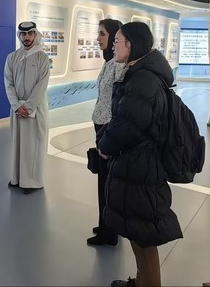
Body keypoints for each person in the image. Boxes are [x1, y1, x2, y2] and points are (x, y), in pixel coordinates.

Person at [98, 22, 182, 287]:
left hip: (141, 167)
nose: (113, 46)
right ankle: (142, 281)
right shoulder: (142, 73)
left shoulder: (143, 79)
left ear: (131, 44)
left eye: (117, 41)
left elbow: (128, 123)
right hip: (138, 164)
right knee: (138, 232)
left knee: (143, 237)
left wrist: (105, 146)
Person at [88, 18, 123, 247]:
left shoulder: (117, 65)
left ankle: (109, 232)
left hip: (108, 129)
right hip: (101, 126)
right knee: (104, 180)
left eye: (102, 33)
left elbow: (119, 104)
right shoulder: (108, 62)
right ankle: (105, 225)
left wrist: (109, 135)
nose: (97, 38)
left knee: (107, 183)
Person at [4, 21, 50, 194]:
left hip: (36, 110)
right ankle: (17, 179)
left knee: (33, 146)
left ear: (35, 34)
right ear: (19, 36)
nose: (26, 37)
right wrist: (17, 106)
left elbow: (41, 85)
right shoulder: (12, 57)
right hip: (17, 110)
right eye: (23, 34)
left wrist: (28, 107)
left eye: (30, 33)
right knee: (17, 146)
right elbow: (8, 83)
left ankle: (32, 182)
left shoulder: (42, 57)